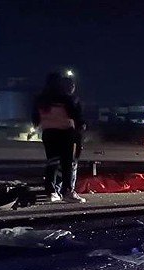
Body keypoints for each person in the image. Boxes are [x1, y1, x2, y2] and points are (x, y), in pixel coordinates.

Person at [32, 73, 86, 203]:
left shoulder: (41, 100)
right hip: (66, 133)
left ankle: (51, 192)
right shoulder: (68, 99)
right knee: (68, 163)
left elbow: (35, 119)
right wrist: (81, 128)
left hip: (48, 133)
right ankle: (68, 191)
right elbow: (78, 118)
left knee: (52, 162)